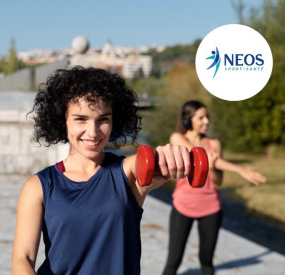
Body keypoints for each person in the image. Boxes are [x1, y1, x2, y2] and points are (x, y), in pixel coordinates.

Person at [12, 66, 193, 274]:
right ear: (64, 120)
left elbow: (146, 161)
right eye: (81, 119)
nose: (93, 132)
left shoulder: (126, 174)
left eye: (103, 120)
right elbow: (22, 259)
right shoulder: (39, 186)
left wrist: (169, 156)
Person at [162, 100, 267, 275]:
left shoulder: (215, 144)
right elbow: (199, 156)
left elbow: (218, 181)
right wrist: (240, 169)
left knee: (207, 261)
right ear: (188, 119)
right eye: (201, 117)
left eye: (207, 117)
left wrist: (211, 167)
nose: (207, 122)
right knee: (174, 260)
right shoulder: (177, 138)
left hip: (211, 208)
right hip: (183, 206)